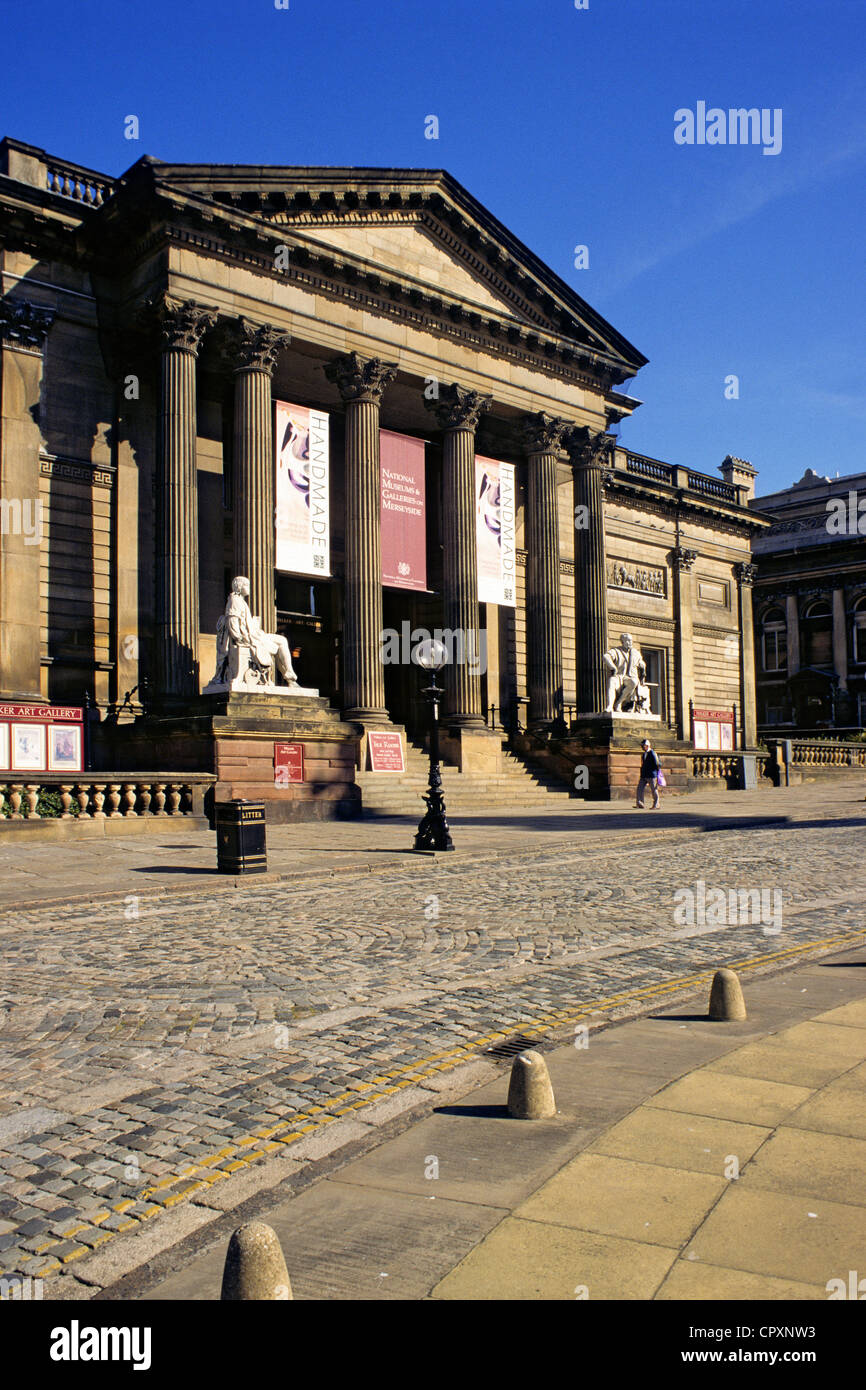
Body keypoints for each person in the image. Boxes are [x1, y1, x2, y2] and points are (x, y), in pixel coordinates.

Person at [636, 737, 661, 809]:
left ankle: (657, 804)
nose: (642, 747)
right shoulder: (644, 754)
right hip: (644, 775)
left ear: (647, 746)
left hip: (652, 775)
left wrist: (656, 773)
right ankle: (640, 803)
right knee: (639, 789)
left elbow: (657, 763)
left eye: (643, 746)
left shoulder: (652, 753)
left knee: (654, 790)